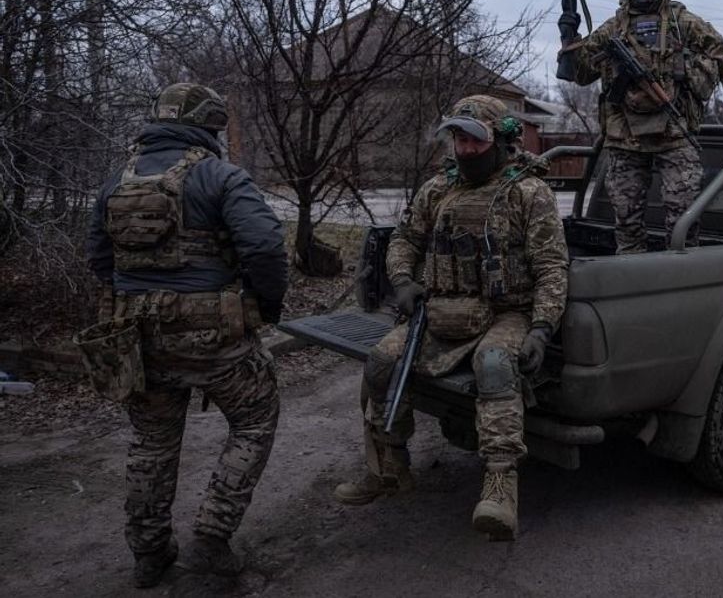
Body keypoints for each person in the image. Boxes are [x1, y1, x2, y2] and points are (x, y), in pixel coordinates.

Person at [333, 94, 568, 542]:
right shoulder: (438, 189)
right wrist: (403, 281)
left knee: (497, 366)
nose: (463, 150)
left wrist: (541, 327)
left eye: (474, 141)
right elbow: (404, 240)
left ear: (501, 140)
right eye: (457, 139)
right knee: (382, 361)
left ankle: (500, 487)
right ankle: (388, 467)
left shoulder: (527, 192)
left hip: (505, 313)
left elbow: (551, 267)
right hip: (439, 310)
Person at [82, 82, 288, 587]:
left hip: (138, 339)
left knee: (151, 441)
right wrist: (268, 303)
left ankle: (150, 553)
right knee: (255, 419)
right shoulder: (220, 175)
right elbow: (264, 247)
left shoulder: (115, 183)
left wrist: (136, 294)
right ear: (209, 125)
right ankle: (212, 538)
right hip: (213, 337)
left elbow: (98, 259)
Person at [556, 0, 723, 254]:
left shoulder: (683, 23)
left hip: (674, 135)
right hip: (624, 140)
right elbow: (582, 74)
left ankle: (681, 281)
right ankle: (636, 282)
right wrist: (569, 40)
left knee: (683, 219)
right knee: (625, 220)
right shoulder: (613, 29)